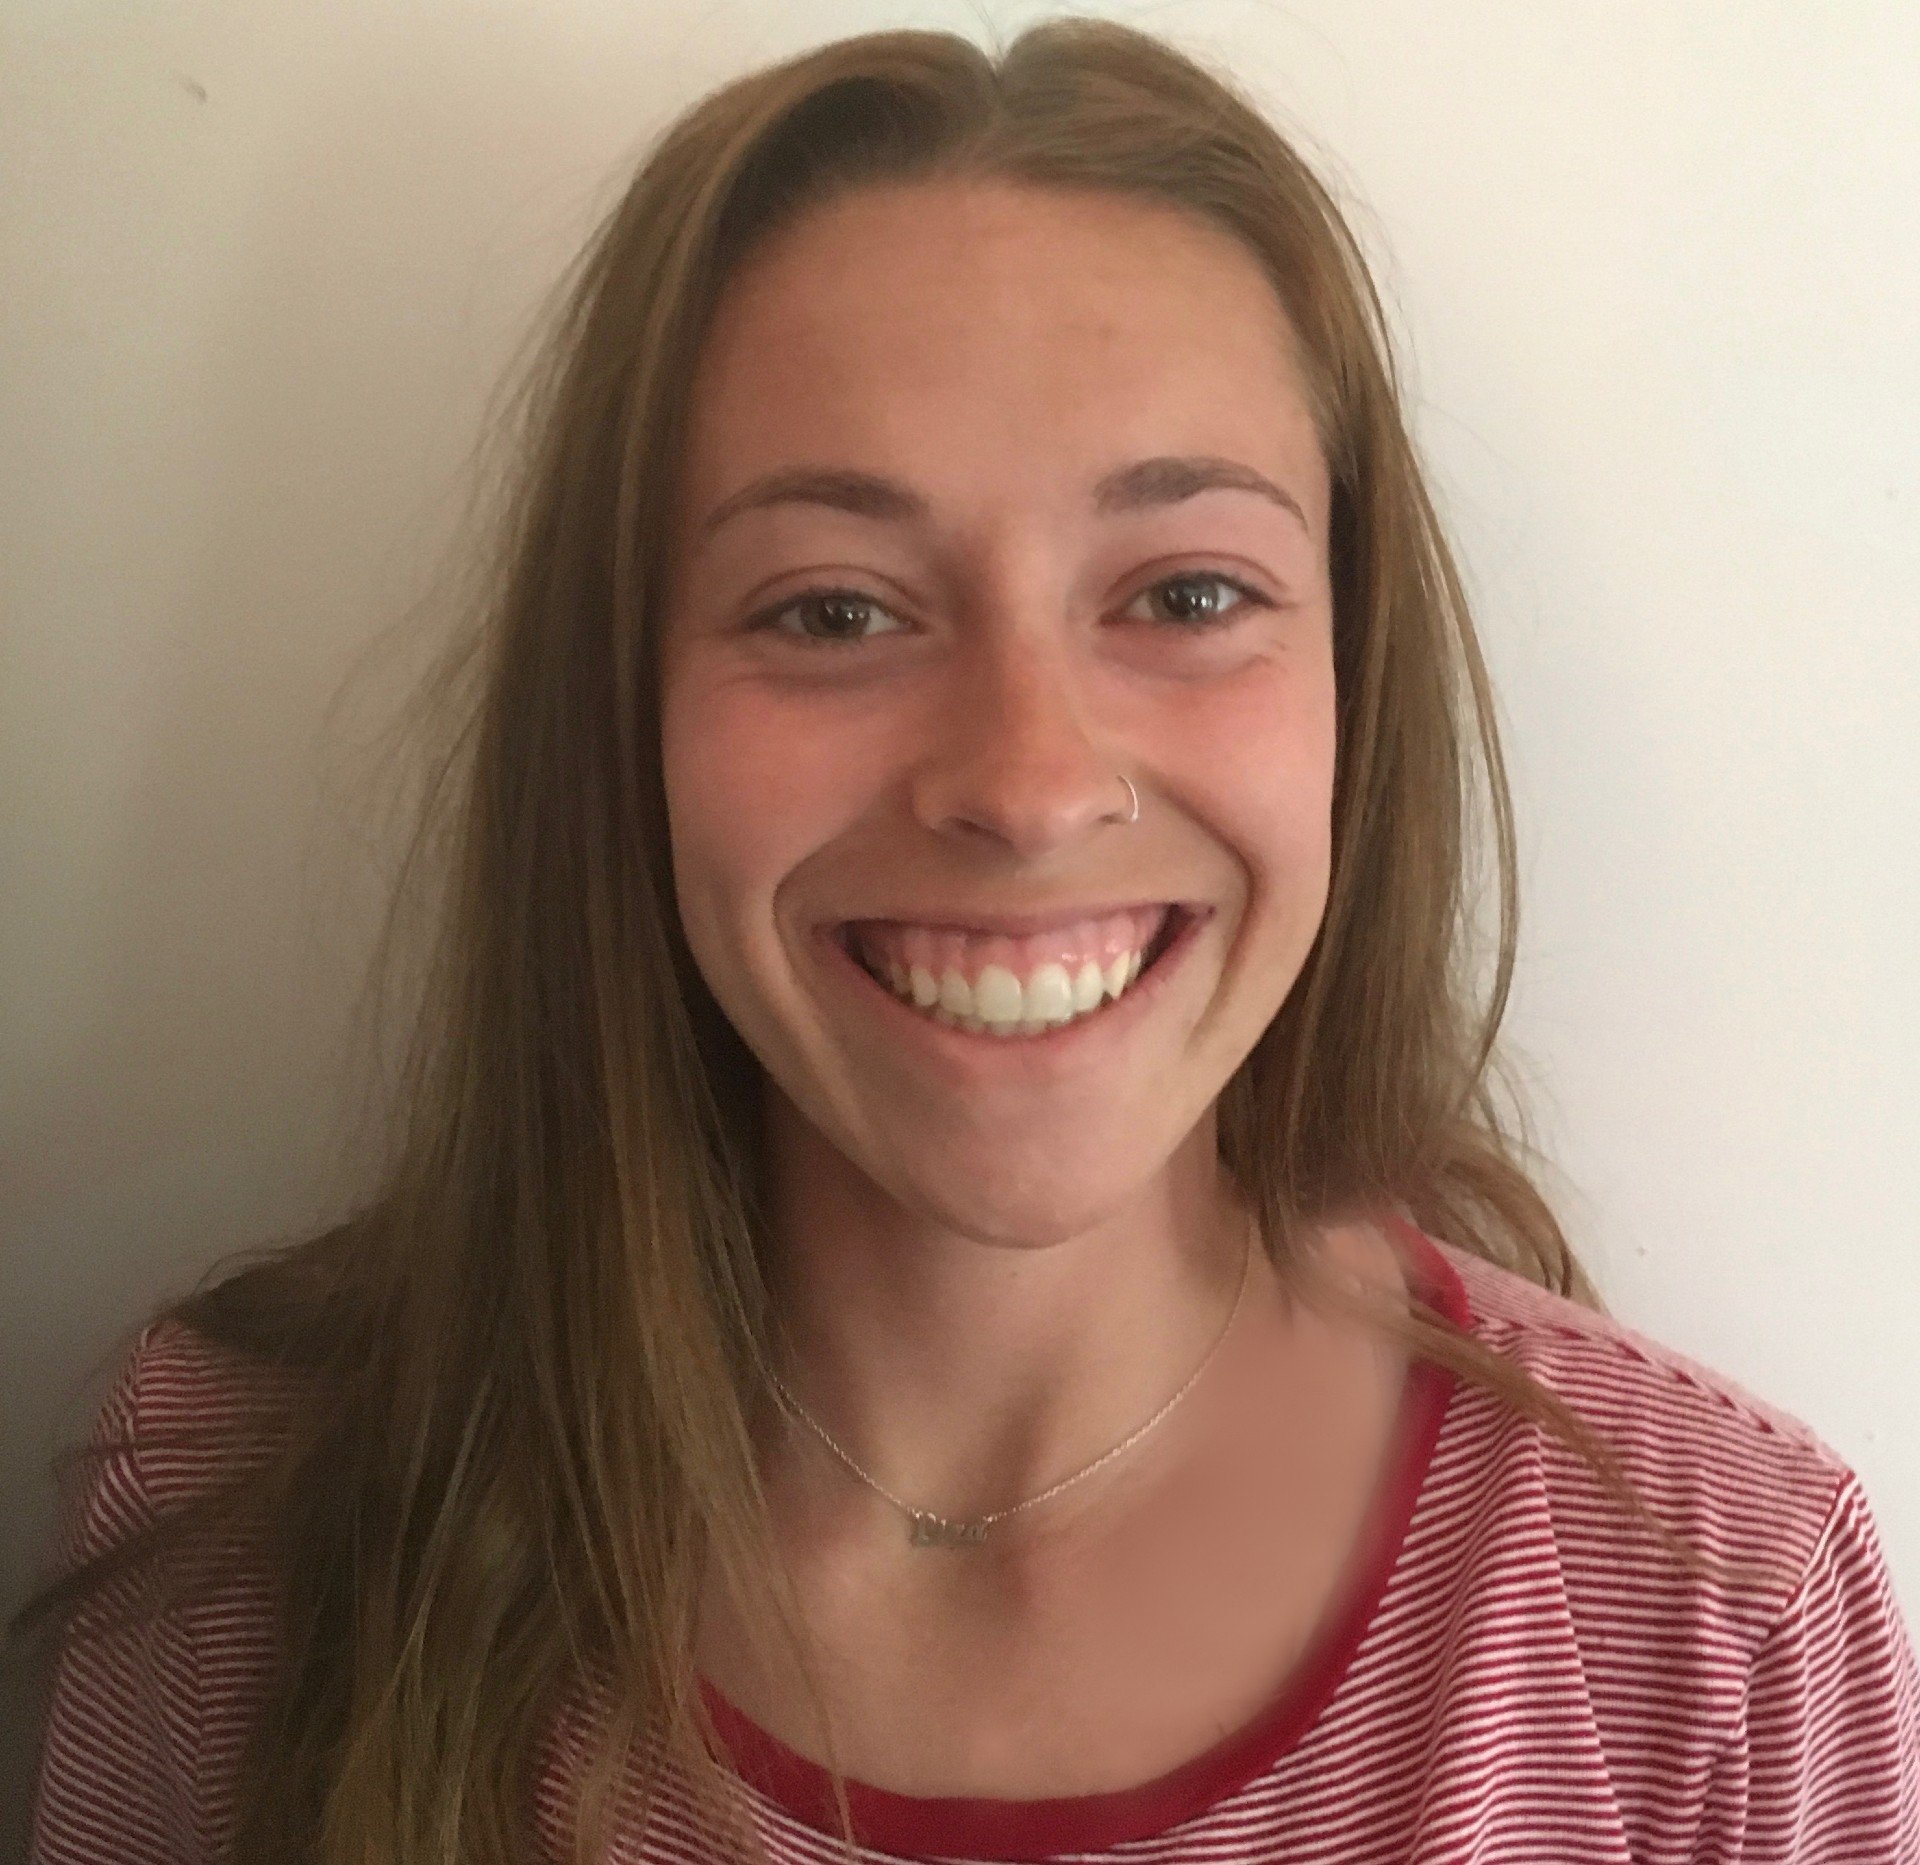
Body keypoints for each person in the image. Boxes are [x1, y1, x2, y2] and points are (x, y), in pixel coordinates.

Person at [16, 18, 1919, 1864]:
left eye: (1186, 592)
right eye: (834, 611)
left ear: (1359, 683)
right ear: (627, 713)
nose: (1024, 780)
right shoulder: (238, 1507)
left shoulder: (1719, 1607)